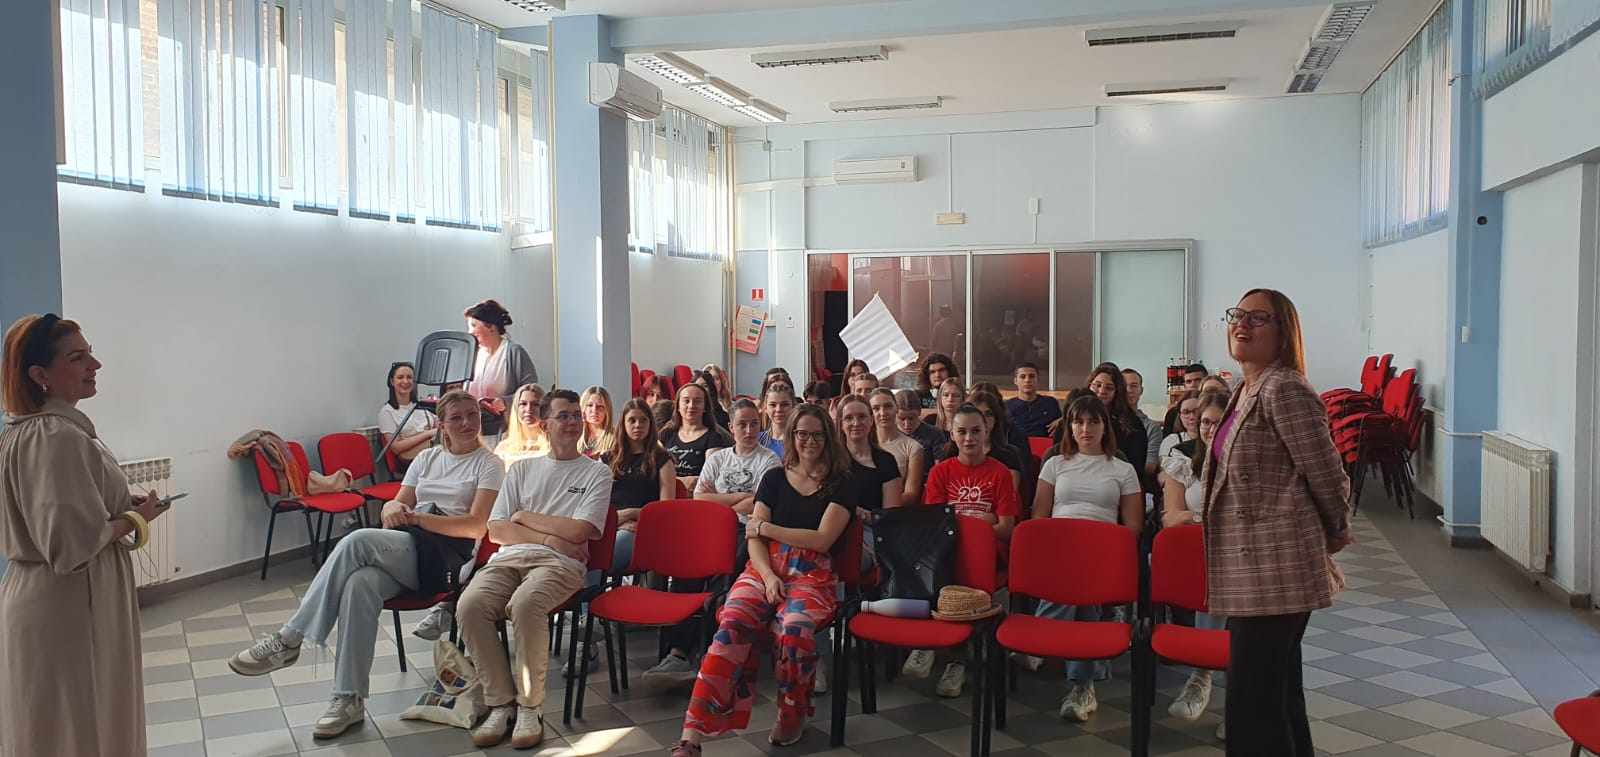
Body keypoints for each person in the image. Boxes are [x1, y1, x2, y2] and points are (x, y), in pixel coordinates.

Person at [229, 391, 499, 737]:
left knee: (356, 541)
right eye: (456, 417)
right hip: (411, 545)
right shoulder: (428, 459)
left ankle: (289, 638)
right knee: (360, 584)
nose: (466, 423)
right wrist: (392, 509)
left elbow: (476, 526)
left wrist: (417, 519)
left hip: (447, 558)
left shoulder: (488, 464)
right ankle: (349, 699)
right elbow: (395, 506)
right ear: (442, 425)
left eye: (472, 415)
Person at [0, 315, 166, 755]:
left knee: (64, 726)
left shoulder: (34, 430)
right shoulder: (54, 436)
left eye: (89, 353)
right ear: (40, 374)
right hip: (70, 601)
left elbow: (65, 515)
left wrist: (119, 508)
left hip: (57, 596)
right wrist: (135, 518)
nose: (95, 364)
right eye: (77, 358)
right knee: (83, 726)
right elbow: (69, 547)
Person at [1208, 290, 1351, 756]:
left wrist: (1336, 528)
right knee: (1276, 696)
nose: (1241, 325)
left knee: (1253, 707)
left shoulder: (1284, 388)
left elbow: (1326, 472)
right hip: (1254, 568)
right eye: (1237, 315)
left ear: (1284, 333)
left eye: (1258, 318)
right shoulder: (1246, 388)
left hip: (1277, 567)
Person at [668, 404, 853, 757]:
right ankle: (692, 735)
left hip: (812, 574)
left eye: (817, 434)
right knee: (731, 623)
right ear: (792, 437)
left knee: (794, 630)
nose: (809, 441)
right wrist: (767, 575)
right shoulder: (774, 478)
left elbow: (821, 540)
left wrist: (767, 528)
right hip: (763, 567)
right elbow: (753, 540)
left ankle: (792, 714)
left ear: (828, 438)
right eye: (802, 434)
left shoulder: (841, 483)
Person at [458, 389, 612, 749]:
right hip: (510, 558)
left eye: (576, 415)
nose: (572, 422)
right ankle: (501, 704)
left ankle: (530, 707)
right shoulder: (522, 470)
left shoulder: (597, 472)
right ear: (545, 425)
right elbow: (497, 530)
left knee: (526, 605)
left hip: (561, 564)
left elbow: (579, 531)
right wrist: (548, 538)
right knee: (469, 606)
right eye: (563, 416)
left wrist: (524, 516)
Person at [644, 400, 781, 683]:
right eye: (742, 424)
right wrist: (737, 499)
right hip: (710, 529)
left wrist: (720, 502)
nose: (748, 430)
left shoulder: (769, 460)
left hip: (747, 530)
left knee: (723, 576)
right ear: (731, 427)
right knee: (686, 571)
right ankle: (677, 654)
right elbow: (699, 497)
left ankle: (710, 652)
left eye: (754, 424)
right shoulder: (718, 459)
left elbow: (758, 503)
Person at [1029, 395, 1142, 722]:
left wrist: (1101, 549)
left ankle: (1039, 640)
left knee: (1081, 583)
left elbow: (1133, 526)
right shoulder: (1055, 464)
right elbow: (1039, 515)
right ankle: (1083, 687)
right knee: (1082, 602)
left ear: (1105, 426)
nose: (1085, 428)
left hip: (1101, 552)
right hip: (1059, 549)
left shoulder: (1122, 469)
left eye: (1093, 421)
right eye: (1078, 421)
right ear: (1069, 426)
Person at [907, 403, 1020, 697]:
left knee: (966, 563)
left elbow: (1006, 528)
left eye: (975, 431)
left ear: (986, 433)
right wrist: (982, 520)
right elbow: (936, 525)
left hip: (987, 554)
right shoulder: (941, 472)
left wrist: (967, 523)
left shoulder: (1000, 473)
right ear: (952, 434)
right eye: (962, 431)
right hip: (948, 552)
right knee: (931, 563)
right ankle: (932, 644)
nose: (969, 438)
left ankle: (956, 661)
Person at [1157, 391, 1230, 722]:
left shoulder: (1243, 462)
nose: (1210, 429)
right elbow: (1171, 518)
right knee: (1208, 577)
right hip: (1197, 552)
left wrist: (1197, 517)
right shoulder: (1184, 460)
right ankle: (1201, 676)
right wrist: (1208, 519)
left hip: (1236, 553)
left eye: (1217, 423)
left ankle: (1238, 704)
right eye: (1204, 422)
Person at [606, 398, 677, 580]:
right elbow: (597, 503)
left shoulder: (662, 460)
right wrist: (618, 520)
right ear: (623, 424)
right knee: (580, 553)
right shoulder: (607, 459)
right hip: (609, 526)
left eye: (643, 420)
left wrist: (631, 514)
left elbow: (666, 509)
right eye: (632, 420)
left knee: (601, 559)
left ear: (650, 424)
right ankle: (588, 597)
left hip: (642, 529)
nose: (638, 425)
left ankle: (589, 595)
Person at [464, 299, 539, 442]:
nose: (470, 332)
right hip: (474, 428)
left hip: (504, 430)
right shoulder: (473, 355)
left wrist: (505, 402)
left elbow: (532, 391)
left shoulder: (513, 352)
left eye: (473, 325)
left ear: (491, 327)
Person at [660, 382, 733, 492]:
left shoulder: (713, 438)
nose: (691, 405)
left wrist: (671, 480)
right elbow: (655, 472)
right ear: (678, 406)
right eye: (686, 401)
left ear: (705, 407)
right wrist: (681, 481)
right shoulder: (666, 434)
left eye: (697, 401)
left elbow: (709, 479)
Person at [1086, 364, 1149, 476]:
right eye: (1097, 385)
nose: (1102, 391)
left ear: (1117, 392)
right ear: (1089, 385)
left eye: (1109, 388)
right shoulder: (1072, 419)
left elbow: (1135, 467)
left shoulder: (1132, 424)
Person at [870, 388, 926, 503]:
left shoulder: (913, 447)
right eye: (876, 408)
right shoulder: (862, 443)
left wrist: (878, 505)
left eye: (888, 406)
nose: (883, 413)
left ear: (896, 408)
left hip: (893, 510)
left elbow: (911, 495)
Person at [378, 361, 437, 466]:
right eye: (400, 377)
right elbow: (396, 447)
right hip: (410, 460)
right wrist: (428, 433)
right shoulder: (387, 412)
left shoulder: (422, 406)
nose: (405, 381)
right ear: (392, 381)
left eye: (409, 377)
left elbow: (439, 427)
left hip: (431, 451)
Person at [895, 389, 947, 482]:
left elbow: (939, 468)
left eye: (911, 418)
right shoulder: (889, 434)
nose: (907, 424)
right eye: (901, 419)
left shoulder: (934, 433)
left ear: (919, 412)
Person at [1121, 368, 1163, 479]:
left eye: (1134, 386)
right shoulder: (1106, 421)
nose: (1129, 390)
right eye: (1124, 386)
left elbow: (1150, 467)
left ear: (1141, 390)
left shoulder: (1152, 428)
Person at [495, 383, 549, 465]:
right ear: (516, 408)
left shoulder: (553, 446)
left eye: (535, 404)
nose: (529, 409)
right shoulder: (503, 448)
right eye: (523, 404)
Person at [1005, 362, 1060, 438]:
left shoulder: (1050, 403)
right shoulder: (1006, 406)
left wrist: (1062, 421)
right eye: (1022, 377)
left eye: (1031, 376)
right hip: (1016, 445)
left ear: (1038, 379)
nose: (1027, 380)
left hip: (1045, 444)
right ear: (1015, 381)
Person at [1159, 390, 1201, 462]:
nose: (1192, 416)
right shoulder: (1171, 441)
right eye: (1186, 412)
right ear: (1180, 416)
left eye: (1196, 411)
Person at [578, 385, 618, 460]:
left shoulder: (615, 437)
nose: (594, 410)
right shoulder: (576, 435)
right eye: (590, 405)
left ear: (607, 410)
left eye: (600, 406)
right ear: (583, 408)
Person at [757, 383, 797, 457]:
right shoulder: (757, 440)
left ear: (793, 406)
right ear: (765, 408)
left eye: (784, 404)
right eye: (773, 405)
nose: (778, 409)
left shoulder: (799, 440)